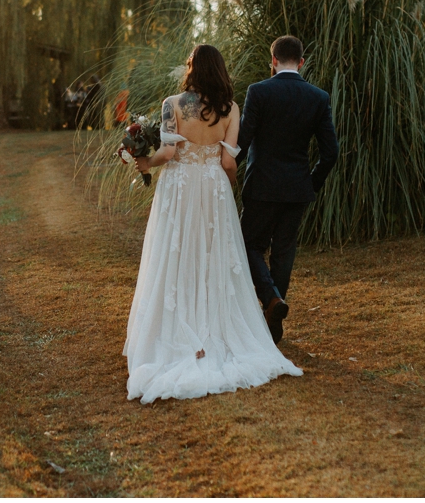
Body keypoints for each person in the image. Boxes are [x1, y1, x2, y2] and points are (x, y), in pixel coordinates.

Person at [126, 44, 302, 404]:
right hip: (213, 188)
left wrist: (145, 164)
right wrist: (228, 187)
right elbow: (228, 162)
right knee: (212, 255)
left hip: (180, 188)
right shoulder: (230, 108)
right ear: (220, 70)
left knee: (175, 254)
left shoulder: (173, 104)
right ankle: (219, 331)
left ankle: (176, 331)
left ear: (191, 68)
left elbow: (169, 153)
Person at [235, 35, 339, 344]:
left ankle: (270, 300)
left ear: (273, 61)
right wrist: (310, 182)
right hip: (297, 190)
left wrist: (222, 171)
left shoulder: (259, 92)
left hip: (262, 187)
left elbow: (241, 144)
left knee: (249, 245)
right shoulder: (318, 97)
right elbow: (330, 152)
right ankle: (272, 312)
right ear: (302, 63)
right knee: (283, 251)